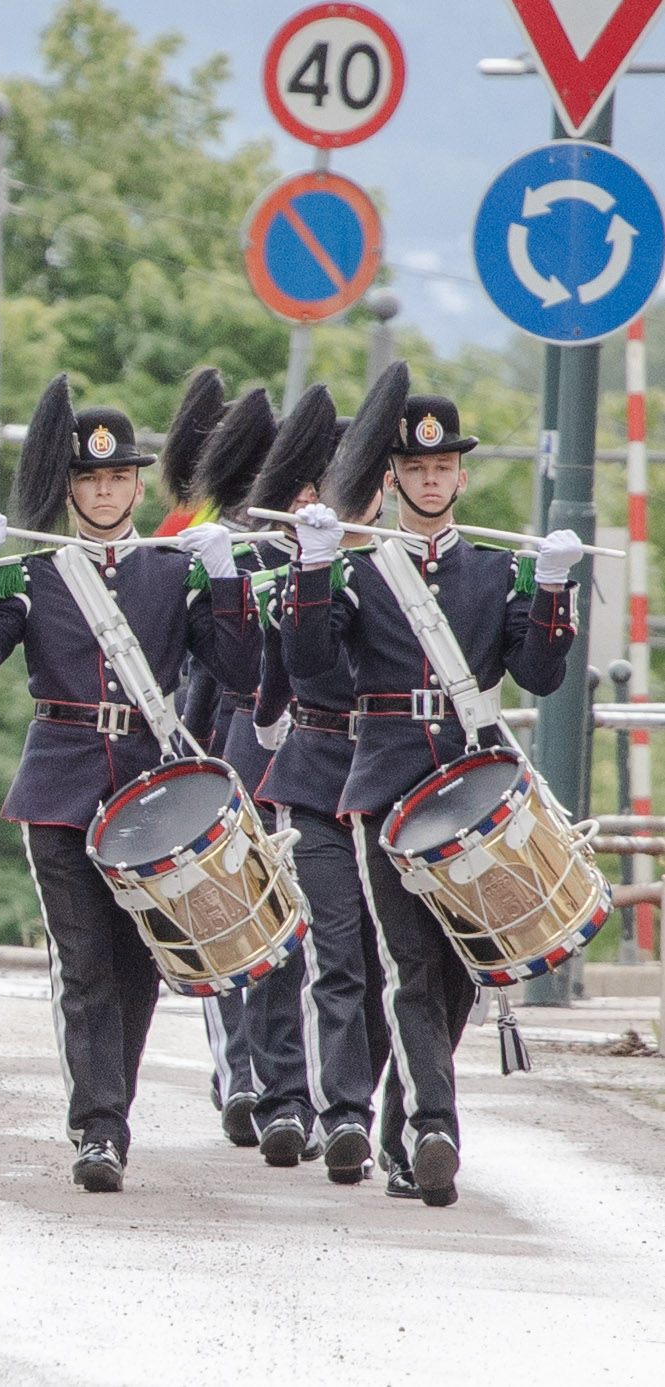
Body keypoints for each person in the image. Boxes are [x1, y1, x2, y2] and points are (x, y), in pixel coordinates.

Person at [0, 375, 256, 1193]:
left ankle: (107, 1111)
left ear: (136, 484)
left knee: (138, 962)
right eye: (89, 478)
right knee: (81, 963)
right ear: (70, 486)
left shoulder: (166, 569)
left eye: (118, 477)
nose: (105, 490)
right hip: (59, 782)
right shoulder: (38, 572)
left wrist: (225, 581)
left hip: (149, 792)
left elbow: (238, 669)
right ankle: (98, 1127)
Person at [278, 365, 579, 1207]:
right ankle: (435, 1127)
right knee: (408, 963)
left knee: (455, 975)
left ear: (460, 474)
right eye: (413, 469)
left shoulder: (490, 571)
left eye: (441, 466)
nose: (429, 478)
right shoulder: (365, 569)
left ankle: (401, 1130)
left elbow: (538, 673)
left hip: (471, 790)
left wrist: (552, 591)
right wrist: (309, 571)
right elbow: (308, 665)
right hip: (385, 786)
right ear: (393, 478)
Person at [244, 384, 400, 1185]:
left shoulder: (407, 574)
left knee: (385, 968)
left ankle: (351, 1094)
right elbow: (276, 672)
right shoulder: (299, 568)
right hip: (312, 770)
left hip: (389, 777)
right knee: (328, 955)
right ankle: (331, 1110)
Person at [184, 388, 321, 1167]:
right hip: (239, 743)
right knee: (235, 919)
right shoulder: (229, 552)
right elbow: (206, 669)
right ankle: (241, 1073)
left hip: (317, 753)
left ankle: (285, 1084)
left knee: (301, 936)